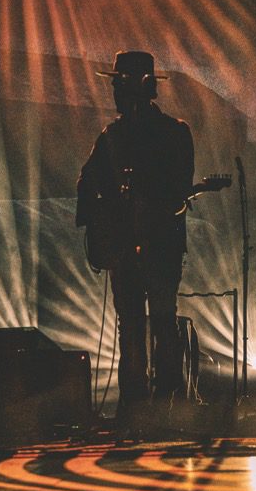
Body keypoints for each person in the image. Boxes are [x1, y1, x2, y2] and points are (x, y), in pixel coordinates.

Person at [76, 51, 194, 414]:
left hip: (158, 245)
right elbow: (86, 184)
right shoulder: (115, 135)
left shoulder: (172, 134)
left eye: (117, 84)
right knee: (137, 325)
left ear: (138, 87)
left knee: (155, 322)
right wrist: (106, 218)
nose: (113, 91)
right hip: (132, 248)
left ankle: (160, 407)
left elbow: (178, 190)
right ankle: (142, 408)